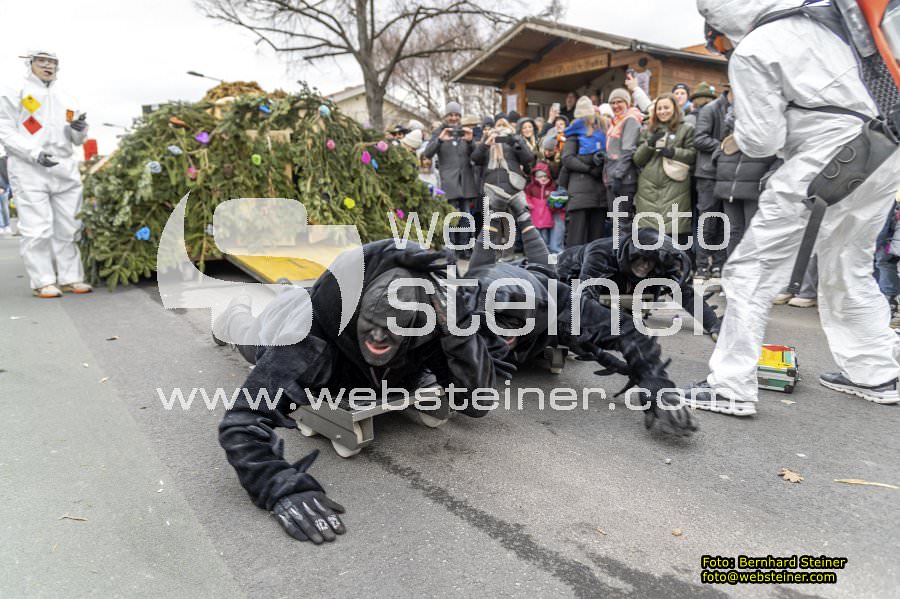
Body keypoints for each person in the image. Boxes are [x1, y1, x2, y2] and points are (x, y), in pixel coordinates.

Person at [216, 240, 514, 544]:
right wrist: (278, 485)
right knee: (247, 334)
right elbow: (240, 422)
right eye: (372, 323)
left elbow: (477, 402)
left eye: (392, 327)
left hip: (340, 334)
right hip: (284, 320)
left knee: (297, 296)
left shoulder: (427, 323)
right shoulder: (306, 338)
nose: (379, 337)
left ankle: (287, 289)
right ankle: (235, 310)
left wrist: (460, 332)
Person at [691, 0, 900, 411]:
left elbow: (761, 141)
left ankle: (730, 386)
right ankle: (876, 372)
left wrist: (741, 132)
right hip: (886, 149)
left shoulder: (754, 48)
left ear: (721, 19)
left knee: (751, 271)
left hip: (828, 159)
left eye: (717, 41)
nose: (722, 48)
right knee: (849, 265)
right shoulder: (828, 20)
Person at [468, 188, 697, 437]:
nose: (506, 333)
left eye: (509, 327)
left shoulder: (553, 299)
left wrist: (658, 386)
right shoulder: (466, 307)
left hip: (538, 294)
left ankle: (517, 212)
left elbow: (627, 330)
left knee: (543, 273)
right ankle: (510, 212)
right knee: (482, 273)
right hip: (486, 293)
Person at [0, 51, 93, 297]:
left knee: (70, 226)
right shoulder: (15, 92)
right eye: (41, 61)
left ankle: (71, 278)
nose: (47, 66)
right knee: (37, 228)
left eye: (52, 62)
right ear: (30, 64)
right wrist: (34, 152)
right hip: (29, 168)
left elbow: (76, 138)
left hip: (64, 166)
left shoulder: (67, 96)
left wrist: (80, 130)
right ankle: (43, 281)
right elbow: (5, 130)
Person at [556, 228, 722, 342]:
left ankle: (623, 308)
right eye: (642, 260)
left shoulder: (658, 262)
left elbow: (685, 293)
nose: (645, 266)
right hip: (572, 273)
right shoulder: (600, 252)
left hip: (622, 284)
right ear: (632, 254)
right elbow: (583, 296)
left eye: (651, 262)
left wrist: (713, 324)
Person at [712, 105, 781, 258]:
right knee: (733, 231)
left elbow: (780, 153)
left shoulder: (772, 122)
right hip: (729, 185)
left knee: (752, 232)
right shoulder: (733, 120)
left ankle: (749, 270)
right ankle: (733, 270)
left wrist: (769, 175)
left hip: (755, 185)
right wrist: (718, 157)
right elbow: (723, 144)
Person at [632, 93, 696, 243]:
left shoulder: (686, 129)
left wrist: (673, 152)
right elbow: (638, 160)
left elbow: (693, 155)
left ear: (675, 108)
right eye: (659, 108)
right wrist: (649, 144)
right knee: (648, 236)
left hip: (675, 187)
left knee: (674, 233)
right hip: (648, 188)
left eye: (666, 107)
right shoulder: (648, 130)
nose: (662, 111)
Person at [422, 101, 478, 252]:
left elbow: (477, 155)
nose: (453, 118)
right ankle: (450, 248)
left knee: (466, 216)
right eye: (450, 115)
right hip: (449, 181)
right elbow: (427, 153)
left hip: (465, 180)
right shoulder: (439, 131)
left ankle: (464, 247)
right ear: (445, 116)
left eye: (456, 115)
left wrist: (471, 141)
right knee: (450, 215)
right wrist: (440, 140)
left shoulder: (465, 131)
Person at [692, 84, 730, 278]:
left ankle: (718, 264)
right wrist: (725, 146)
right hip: (708, 173)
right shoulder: (711, 109)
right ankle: (701, 265)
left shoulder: (737, 109)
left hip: (727, 173)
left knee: (724, 221)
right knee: (708, 221)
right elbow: (699, 139)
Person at [562, 97, 607, 246]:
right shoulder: (576, 132)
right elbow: (567, 159)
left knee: (591, 240)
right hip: (582, 193)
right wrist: (590, 168)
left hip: (598, 193)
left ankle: (585, 261)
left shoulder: (601, 129)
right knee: (578, 238)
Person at [604, 88, 643, 235]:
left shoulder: (630, 120)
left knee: (622, 224)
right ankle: (619, 248)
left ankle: (624, 250)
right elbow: (616, 149)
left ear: (627, 103)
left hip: (624, 180)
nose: (616, 105)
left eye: (619, 102)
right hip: (613, 176)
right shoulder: (616, 121)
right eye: (612, 103)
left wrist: (618, 175)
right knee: (616, 222)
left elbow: (628, 151)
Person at [524, 162, 565, 253]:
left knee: (548, 238)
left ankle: (552, 255)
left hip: (548, 218)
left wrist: (554, 203)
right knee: (539, 239)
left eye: (545, 176)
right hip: (536, 218)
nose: (543, 178)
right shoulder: (531, 187)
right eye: (540, 176)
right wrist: (528, 204)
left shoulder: (553, 187)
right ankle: (542, 255)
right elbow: (526, 196)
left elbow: (559, 200)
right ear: (535, 177)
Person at [0, 154, 11, 236]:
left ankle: (7, 225)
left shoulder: (3, 160)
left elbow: (6, 175)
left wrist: (3, 187)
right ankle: (1, 226)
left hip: (3, 186)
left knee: (4, 207)